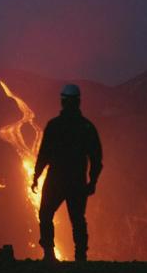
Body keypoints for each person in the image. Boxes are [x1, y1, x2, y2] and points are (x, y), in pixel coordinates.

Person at [31, 84, 103, 262]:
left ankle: (49, 254)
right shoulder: (87, 128)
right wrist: (92, 182)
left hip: (55, 180)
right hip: (77, 182)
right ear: (78, 102)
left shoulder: (54, 126)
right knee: (77, 218)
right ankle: (80, 256)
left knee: (46, 214)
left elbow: (44, 154)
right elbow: (96, 158)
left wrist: (36, 176)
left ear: (62, 102)